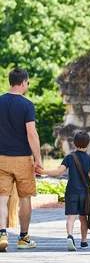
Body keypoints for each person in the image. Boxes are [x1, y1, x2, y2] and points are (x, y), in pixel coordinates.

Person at [0, 67, 43, 252]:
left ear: (11, 81)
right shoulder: (27, 105)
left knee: (1, 198)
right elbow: (31, 133)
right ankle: (23, 237)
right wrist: (38, 158)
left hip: (1, 158)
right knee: (25, 198)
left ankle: (2, 233)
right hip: (23, 158)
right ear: (24, 82)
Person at [37, 132, 90, 251]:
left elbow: (59, 172)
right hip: (85, 193)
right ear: (88, 145)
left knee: (71, 217)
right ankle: (84, 242)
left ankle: (70, 236)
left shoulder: (70, 157)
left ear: (74, 144)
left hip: (71, 191)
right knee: (83, 218)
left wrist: (43, 172)